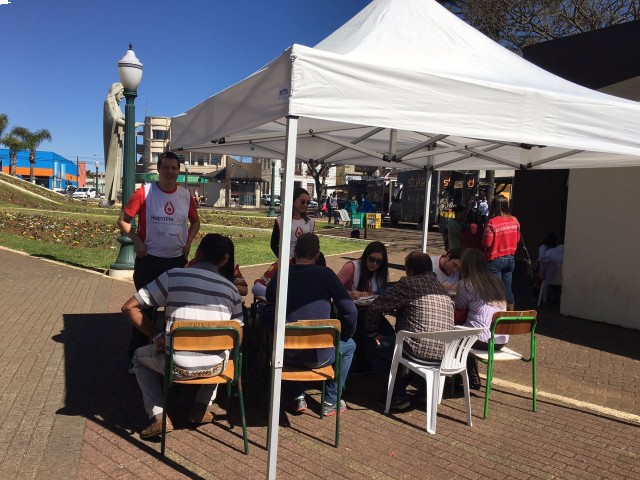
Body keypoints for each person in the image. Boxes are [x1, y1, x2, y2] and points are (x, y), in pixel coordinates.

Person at [121, 233, 244, 439]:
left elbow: (129, 307)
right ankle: (201, 407)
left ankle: (158, 416)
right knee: (223, 348)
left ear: (198, 253)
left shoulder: (173, 276)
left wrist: (158, 335)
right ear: (224, 260)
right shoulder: (232, 290)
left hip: (175, 365)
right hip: (216, 368)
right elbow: (237, 337)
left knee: (139, 358)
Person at [117, 151, 201, 361]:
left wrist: (189, 242)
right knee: (144, 311)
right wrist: (137, 241)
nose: (170, 172)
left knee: (175, 310)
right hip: (149, 261)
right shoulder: (144, 192)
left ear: (179, 171)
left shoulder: (185, 195)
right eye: (166, 167)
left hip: (176, 262)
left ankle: (173, 356)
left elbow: (196, 222)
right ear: (158, 169)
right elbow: (123, 220)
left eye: (174, 168)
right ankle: (135, 356)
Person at [265, 233, 357, 416]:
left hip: (286, 354)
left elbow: (269, 297)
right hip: (319, 354)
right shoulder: (326, 274)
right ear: (317, 255)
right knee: (350, 345)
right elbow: (350, 311)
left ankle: (297, 396)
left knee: (292, 339)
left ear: (295, 253)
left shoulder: (283, 272)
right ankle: (331, 399)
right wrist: (346, 334)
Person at [363, 252, 454, 410]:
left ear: (410, 270)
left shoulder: (408, 284)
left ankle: (397, 396)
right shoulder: (440, 287)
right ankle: (424, 391)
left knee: (373, 347)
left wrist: (372, 333)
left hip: (417, 350)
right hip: (446, 352)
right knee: (410, 341)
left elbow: (376, 307)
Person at [454, 248, 508, 389]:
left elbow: (459, 307)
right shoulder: (497, 282)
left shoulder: (466, 283)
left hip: (482, 338)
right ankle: (472, 374)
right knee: (471, 330)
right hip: (501, 339)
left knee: (456, 333)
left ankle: (460, 377)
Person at [482, 195, 520, 310]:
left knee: (495, 290)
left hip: (495, 259)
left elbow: (487, 243)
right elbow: (517, 239)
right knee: (507, 289)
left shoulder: (492, 223)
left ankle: (496, 314)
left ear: (493, 206)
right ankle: (510, 314)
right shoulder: (514, 221)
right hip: (510, 259)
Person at [270, 187, 315, 258]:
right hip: (287, 261)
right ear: (293, 200)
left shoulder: (310, 222)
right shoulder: (281, 220)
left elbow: (311, 244)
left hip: (305, 262)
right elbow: (274, 244)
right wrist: (283, 259)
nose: (305, 205)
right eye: (302, 202)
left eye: (307, 202)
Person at [102, 82, 125, 205]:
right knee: (112, 163)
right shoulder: (108, 102)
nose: (123, 96)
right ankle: (108, 196)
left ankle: (113, 196)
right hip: (111, 139)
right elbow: (113, 118)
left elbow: (123, 117)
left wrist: (130, 122)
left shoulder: (118, 106)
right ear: (116, 91)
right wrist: (128, 123)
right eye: (122, 93)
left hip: (118, 138)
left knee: (117, 165)